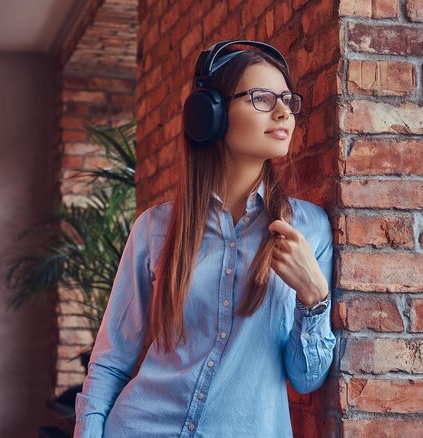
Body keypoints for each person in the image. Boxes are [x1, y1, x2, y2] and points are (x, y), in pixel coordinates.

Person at [74, 40, 336, 438]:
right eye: (262, 98)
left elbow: (305, 379)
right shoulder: (154, 229)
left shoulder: (310, 229)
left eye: (287, 99)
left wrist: (314, 297)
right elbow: (111, 362)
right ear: (210, 114)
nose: (283, 112)